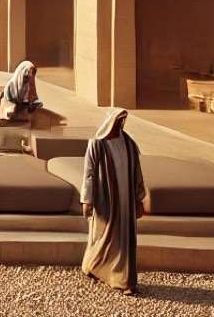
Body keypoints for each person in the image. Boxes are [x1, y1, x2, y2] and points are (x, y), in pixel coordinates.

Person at [81, 108, 146, 293]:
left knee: (124, 240)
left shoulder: (129, 143)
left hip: (126, 202)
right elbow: (89, 174)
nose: (120, 125)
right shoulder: (97, 144)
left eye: (122, 121)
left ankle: (123, 280)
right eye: (117, 121)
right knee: (103, 237)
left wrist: (139, 199)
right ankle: (94, 265)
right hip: (105, 201)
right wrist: (87, 199)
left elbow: (137, 173)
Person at [0, 60, 45, 124]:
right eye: (26, 77)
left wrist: (31, 103)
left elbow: (31, 97)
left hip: (21, 109)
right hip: (11, 110)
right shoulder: (11, 86)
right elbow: (8, 103)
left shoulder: (29, 84)